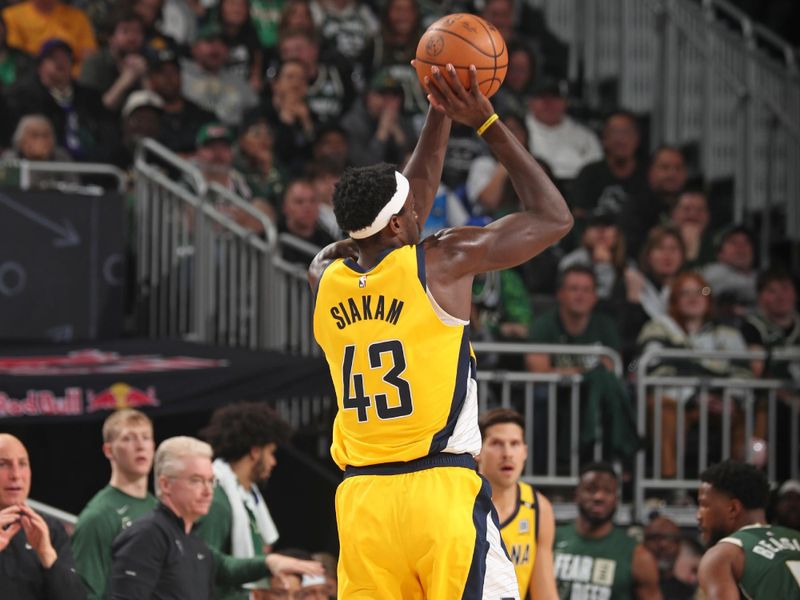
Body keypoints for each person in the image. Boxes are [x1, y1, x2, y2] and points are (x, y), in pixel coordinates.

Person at [309, 63, 572, 597]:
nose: (421, 211)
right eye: (412, 212)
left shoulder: (322, 274)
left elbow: (405, 206)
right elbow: (552, 218)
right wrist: (486, 121)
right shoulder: (442, 261)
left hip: (362, 502)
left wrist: (438, 111)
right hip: (439, 490)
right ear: (403, 225)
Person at [109, 436, 322, 599]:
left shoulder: (191, 539)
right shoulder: (147, 535)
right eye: (196, 480)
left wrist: (269, 561)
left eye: (211, 481)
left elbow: (225, 567)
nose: (208, 491)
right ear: (166, 484)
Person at [636, 271, 752, 477]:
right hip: (679, 402)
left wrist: (731, 399)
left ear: (709, 300)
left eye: (701, 292)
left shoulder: (729, 333)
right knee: (662, 409)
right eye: (685, 293)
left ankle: (739, 487)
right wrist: (694, 398)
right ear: (674, 300)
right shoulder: (659, 328)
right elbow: (655, 371)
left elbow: (743, 373)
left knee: (750, 413)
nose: (693, 297)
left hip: (721, 402)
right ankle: (671, 486)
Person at [196, 402, 290, 600]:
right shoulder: (217, 501)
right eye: (271, 452)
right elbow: (204, 566)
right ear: (255, 452)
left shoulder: (248, 499)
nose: (274, 462)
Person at [72, 410, 156, 600]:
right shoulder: (98, 516)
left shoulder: (159, 508)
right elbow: (87, 593)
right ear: (109, 450)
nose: (140, 445)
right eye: (128, 438)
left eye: (146, 438)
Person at [477, 408, 559, 600]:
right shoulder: (459, 500)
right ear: (477, 451)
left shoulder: (539, 507)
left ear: (525, 452)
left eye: (514, 444)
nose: (507, 453)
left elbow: (544, 592)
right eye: (496, 443)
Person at [553, 462, 661, 600]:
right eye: (591, 489)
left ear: (616, 500)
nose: (599, 497)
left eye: (607, 491)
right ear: (577, 495)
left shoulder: (637, 555)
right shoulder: (551, 538)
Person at [0, 433, 87, 600]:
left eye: (23, 464)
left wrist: (47, 554)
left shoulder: (49, 529)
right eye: (3, 464)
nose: (16, 475)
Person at [697, 459, 800, 599]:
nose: (698, 516)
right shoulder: (796, 537)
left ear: (733, 508)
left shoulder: (722, 555)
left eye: (704, 505)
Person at [524, 77, 602, 184]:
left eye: (555, 97)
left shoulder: (585, 137)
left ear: (566, 102)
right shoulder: (517, 132)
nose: (549, 103)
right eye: (542, 97)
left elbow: (595, 174)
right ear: (530, 102)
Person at [143, 47, 216, 155]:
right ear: (151, 79)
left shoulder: (202, 115)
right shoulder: (145, 116)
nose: (169, 78)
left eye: (174, 71)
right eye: (162, 72)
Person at [2, 0, 97, 70]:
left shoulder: (78, 17)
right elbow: (14, 56)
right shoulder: (11, 16)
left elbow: (89, 57)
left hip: (71, 79)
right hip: (29, 78)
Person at [702, 225, 758, 319]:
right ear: (720, 254)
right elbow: (705, 291)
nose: (741, 247)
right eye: (733, 242)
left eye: (746, 242)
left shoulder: (759, 277)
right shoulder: (713, 273)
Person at [278, 178, 336, 265]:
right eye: (299, 202)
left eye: (312, 201)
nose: (307, 207)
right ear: (285, 207)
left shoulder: (329, 244)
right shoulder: (273, 236)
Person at [643, 516, 696, 600]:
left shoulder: (690, 594)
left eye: (671, 538)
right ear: (643, 543)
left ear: (679, 547)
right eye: (656, 538)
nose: (663, 544)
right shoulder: (624, 590)